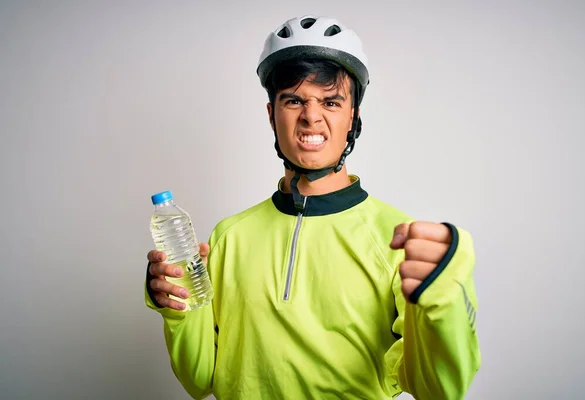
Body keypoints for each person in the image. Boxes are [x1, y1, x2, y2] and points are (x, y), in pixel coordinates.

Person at [144, 15, 481, 400]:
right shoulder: (228, 236)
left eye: (331, 101)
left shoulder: (398, 238)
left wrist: (446, 296)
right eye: (293, 100)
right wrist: (175, 307)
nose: (311, 116)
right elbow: (199, 378)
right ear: (272, 115)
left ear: (352, 116)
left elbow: (439, 390)